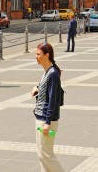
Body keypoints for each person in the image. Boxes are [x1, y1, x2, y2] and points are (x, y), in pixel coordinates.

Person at [30, 42, 63, 172]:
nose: (36, 57)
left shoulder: (53, 73)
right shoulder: (47, 72)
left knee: (46, 155)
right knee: (42, 154)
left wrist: (48, 122)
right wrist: (37, 89)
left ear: (47, 55)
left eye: (38, 54)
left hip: (47, 121)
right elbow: (47, 89)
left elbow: (53, 100)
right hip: (40, 119)